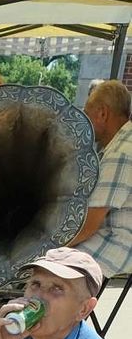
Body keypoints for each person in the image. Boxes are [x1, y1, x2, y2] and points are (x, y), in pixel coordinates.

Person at [72, 79, 132, 280]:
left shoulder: (120, 153)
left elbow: (89, 226)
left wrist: (51, 248)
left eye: (87, 114)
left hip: (119, 241)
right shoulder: (124, 142)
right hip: (117, 236)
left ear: (103, 113)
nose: (84, 121)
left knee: (50, 268)